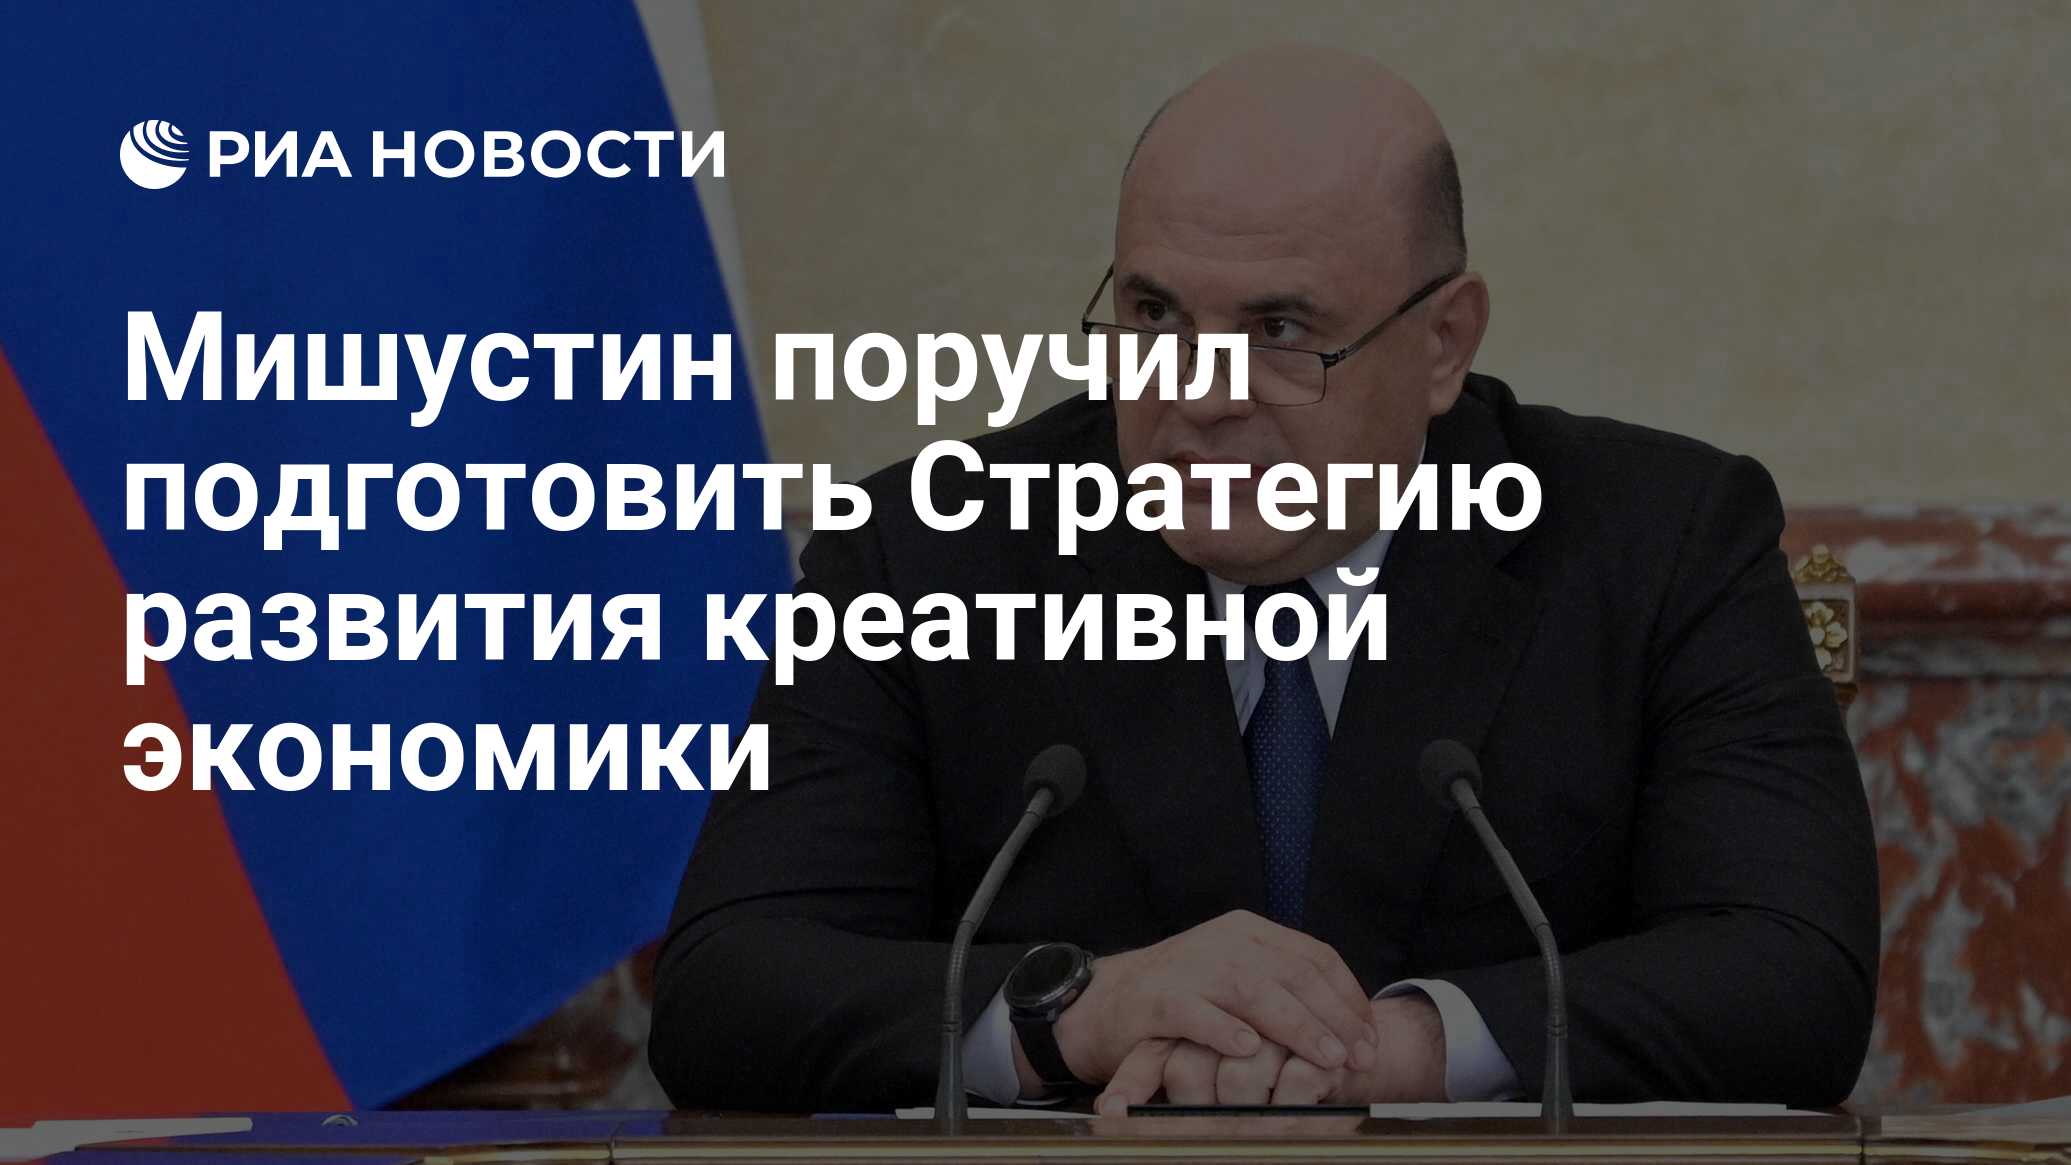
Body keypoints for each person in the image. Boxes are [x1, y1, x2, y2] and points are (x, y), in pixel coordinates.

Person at [648, 44, 1879, 1114]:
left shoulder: (1658, 543)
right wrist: (1078, 1009)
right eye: (1152, 313)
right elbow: (725, 986)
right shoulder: (927, 553)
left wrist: (1392, 1050)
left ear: (1443, 343)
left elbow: (1791, 975)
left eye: (1281, 332)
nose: (1197, 395)